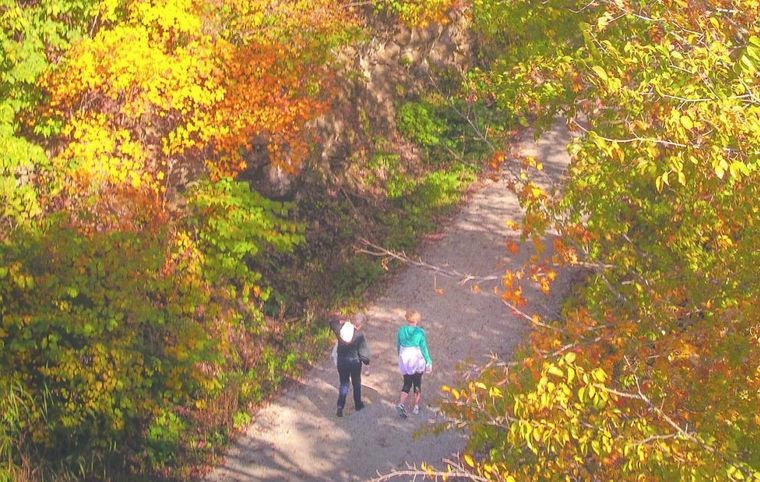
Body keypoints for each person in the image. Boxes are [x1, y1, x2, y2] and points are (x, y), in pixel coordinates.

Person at [331, 313, 370, 417]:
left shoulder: (340, 330)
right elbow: (363, 353)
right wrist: (366, 362)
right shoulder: (359, 335)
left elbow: (332, 323)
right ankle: (358, 404)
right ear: (360, 325)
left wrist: (341, 321)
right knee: (356, 383)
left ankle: (340, 406)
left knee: (344, 383)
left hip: (341, 361)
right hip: (354, 362)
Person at [396, 310, 432, 418]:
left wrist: (400, 356)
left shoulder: (401, 330)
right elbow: (423, 348)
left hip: (405, 358)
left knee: (407, 382)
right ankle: (416, 407)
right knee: (417, 383)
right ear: (417, 320)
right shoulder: (420, 332)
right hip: (416, 359)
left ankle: (401, 404)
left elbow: (398, 345)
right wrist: (428, 360)